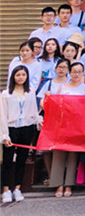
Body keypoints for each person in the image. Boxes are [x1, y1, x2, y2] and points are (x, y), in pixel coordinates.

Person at [46, 61, 85, 197]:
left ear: (83, 73)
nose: (76, 74)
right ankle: (58, 184)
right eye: (74, 71)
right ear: (69, 73)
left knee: (73, 156)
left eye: (79, 72)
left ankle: (68, 185)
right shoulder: (62, 88)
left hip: (78, 126)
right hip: (62, 125)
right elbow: (54, 106)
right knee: (59, 154)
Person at [2, 65, 42, 203]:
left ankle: (17, 188)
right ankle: (6, 190)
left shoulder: (30, 92)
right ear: (13, 77)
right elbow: (2, 116)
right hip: (11, 128)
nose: (20, 78)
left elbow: (34, 111)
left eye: (23, 75)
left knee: (21, 160)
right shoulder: (6, 94)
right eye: (18, 75)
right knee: (7, 160)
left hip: (26, 128)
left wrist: (39, 121)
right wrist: (4, 135)